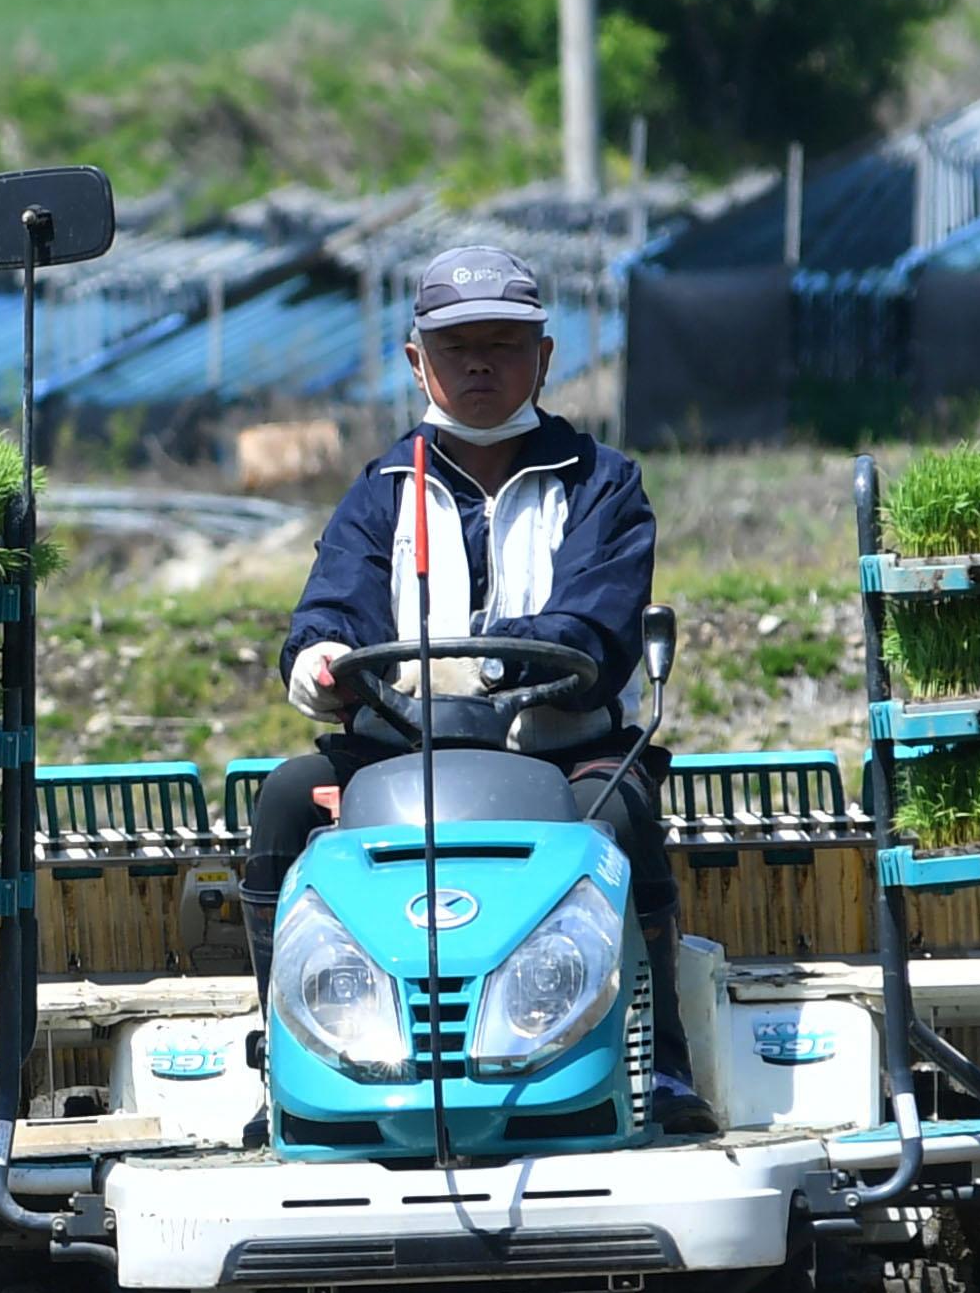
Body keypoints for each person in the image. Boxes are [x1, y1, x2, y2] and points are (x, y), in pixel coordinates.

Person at [243, 241, 705, 1134]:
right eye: (458, 347)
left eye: (504, 341)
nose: (481, 362)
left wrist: (484, 663)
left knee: (620, 815)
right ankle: (282, 1062)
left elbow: (596, 634)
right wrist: (318, 662)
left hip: (564, 749)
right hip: (401, 751)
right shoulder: (379, 490)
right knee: (285, 800)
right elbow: (331, 606)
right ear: (418, 360)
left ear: (545, 355)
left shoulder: (606, 485)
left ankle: (664, 1060)